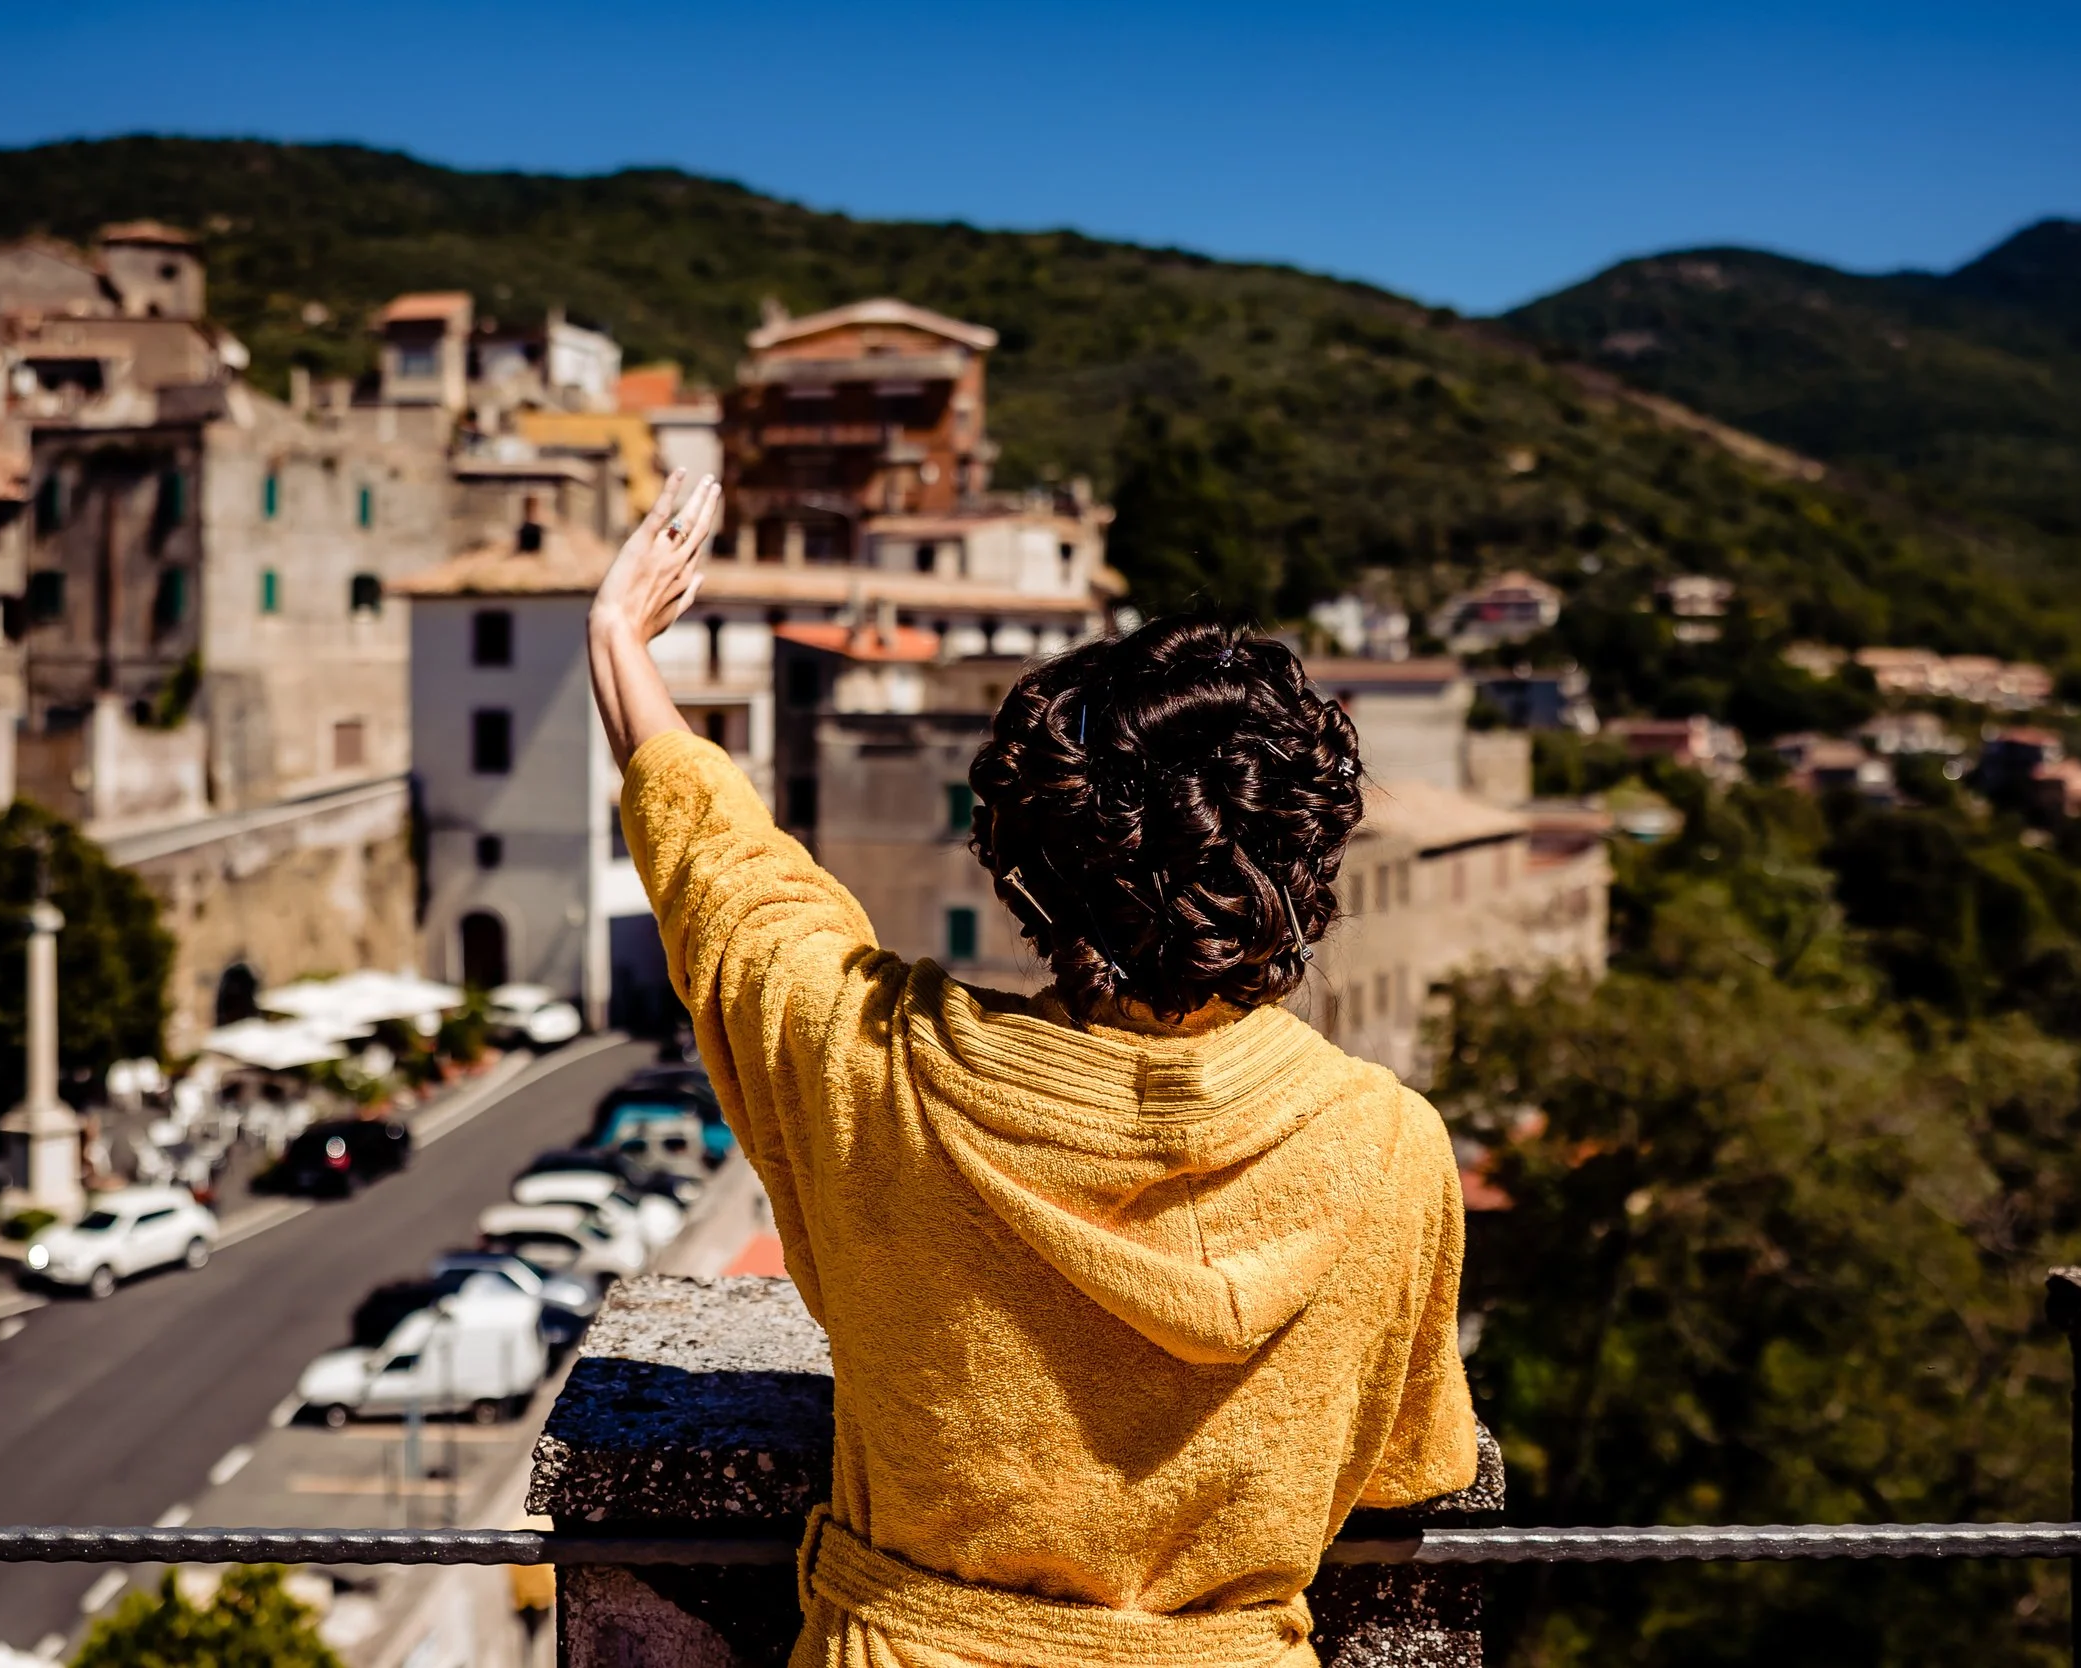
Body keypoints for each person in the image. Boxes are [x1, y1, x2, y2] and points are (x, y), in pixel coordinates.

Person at [592, 470, 1477, 1668]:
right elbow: (1413, 1462)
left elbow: (737, 897)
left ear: (1028, 876)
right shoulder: (1390, 1147)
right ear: (1303, 872)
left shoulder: (880, 1064)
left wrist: (618, 642)